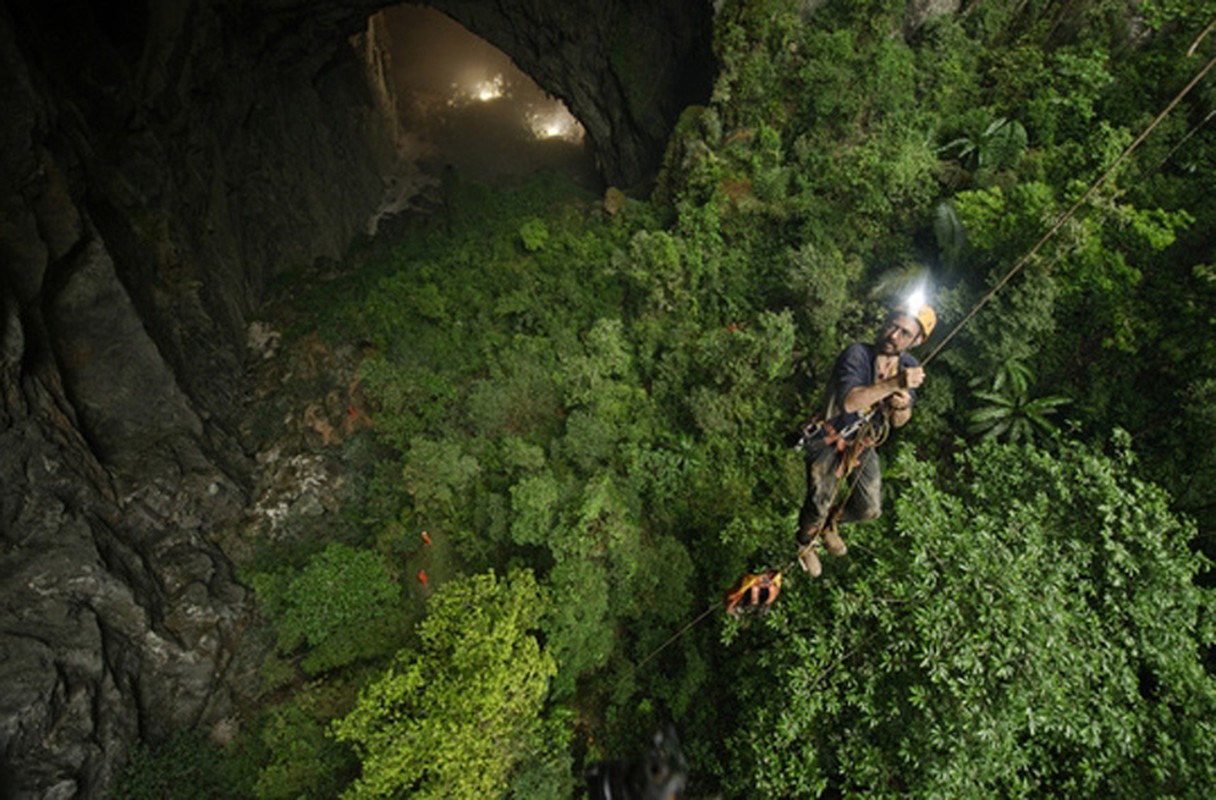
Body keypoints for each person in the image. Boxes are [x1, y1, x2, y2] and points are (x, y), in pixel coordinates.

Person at [795, 301, 935, 576]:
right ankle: (804, 543)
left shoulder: (908, 365)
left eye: (904, 333)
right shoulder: (857, 354)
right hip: (827, 437)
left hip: (862, 442)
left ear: (916, 340)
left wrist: (902, 404)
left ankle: (830, 525)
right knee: (818, 501)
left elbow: (898, 422)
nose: (893, 336)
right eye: (892, 325)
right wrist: (894, 384)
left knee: (869, 508)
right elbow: (850, 402)